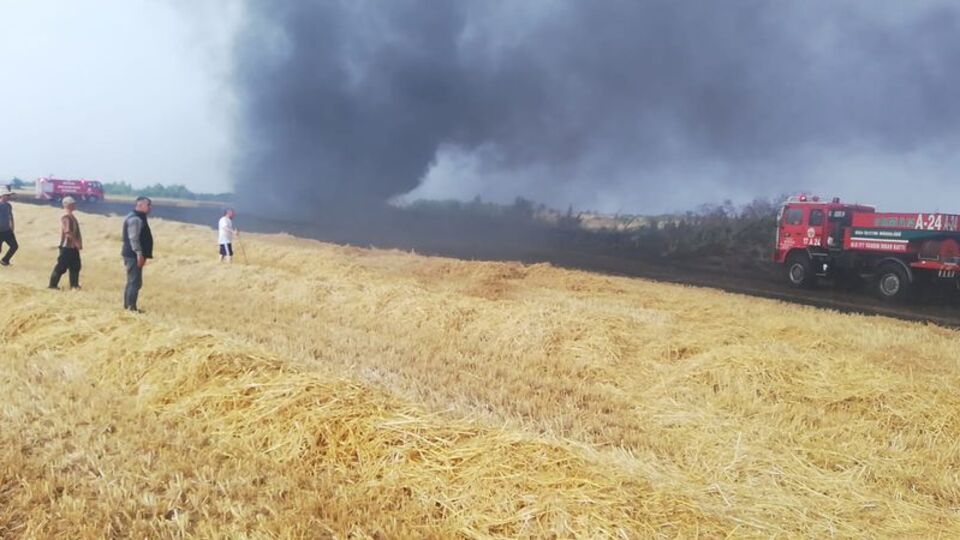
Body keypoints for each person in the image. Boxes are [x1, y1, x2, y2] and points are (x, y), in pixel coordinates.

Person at [121, 196, 153, 312]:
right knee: (134, 282)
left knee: (133, 281)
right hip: (133, 255)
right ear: (140, 205)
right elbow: (133, 238)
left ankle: (128, 306)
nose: (150, 207)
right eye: (148, 205)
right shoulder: (135, 219)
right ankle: (131, 308)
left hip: (131, 254)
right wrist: (139, 254)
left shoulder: (137, 217)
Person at [48, 196, 83, 289]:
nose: (75, 205)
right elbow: (68, 232)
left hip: (72, 247)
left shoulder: (71, 216)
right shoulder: (66, 217)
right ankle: (52, 286)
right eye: (73, 204)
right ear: (67, 205)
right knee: (61, 267)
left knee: (75, 266)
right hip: (67, 247)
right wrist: (76, 243)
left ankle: (74, 286)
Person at [0, 186, 17, 266]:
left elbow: (10, 216)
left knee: (14, 246)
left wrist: (12, 227)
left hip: (7, 231)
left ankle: (5, 260)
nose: (9, 197)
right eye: (7, 195)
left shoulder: (9, 206)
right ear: (2, 195)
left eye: (9, 195)